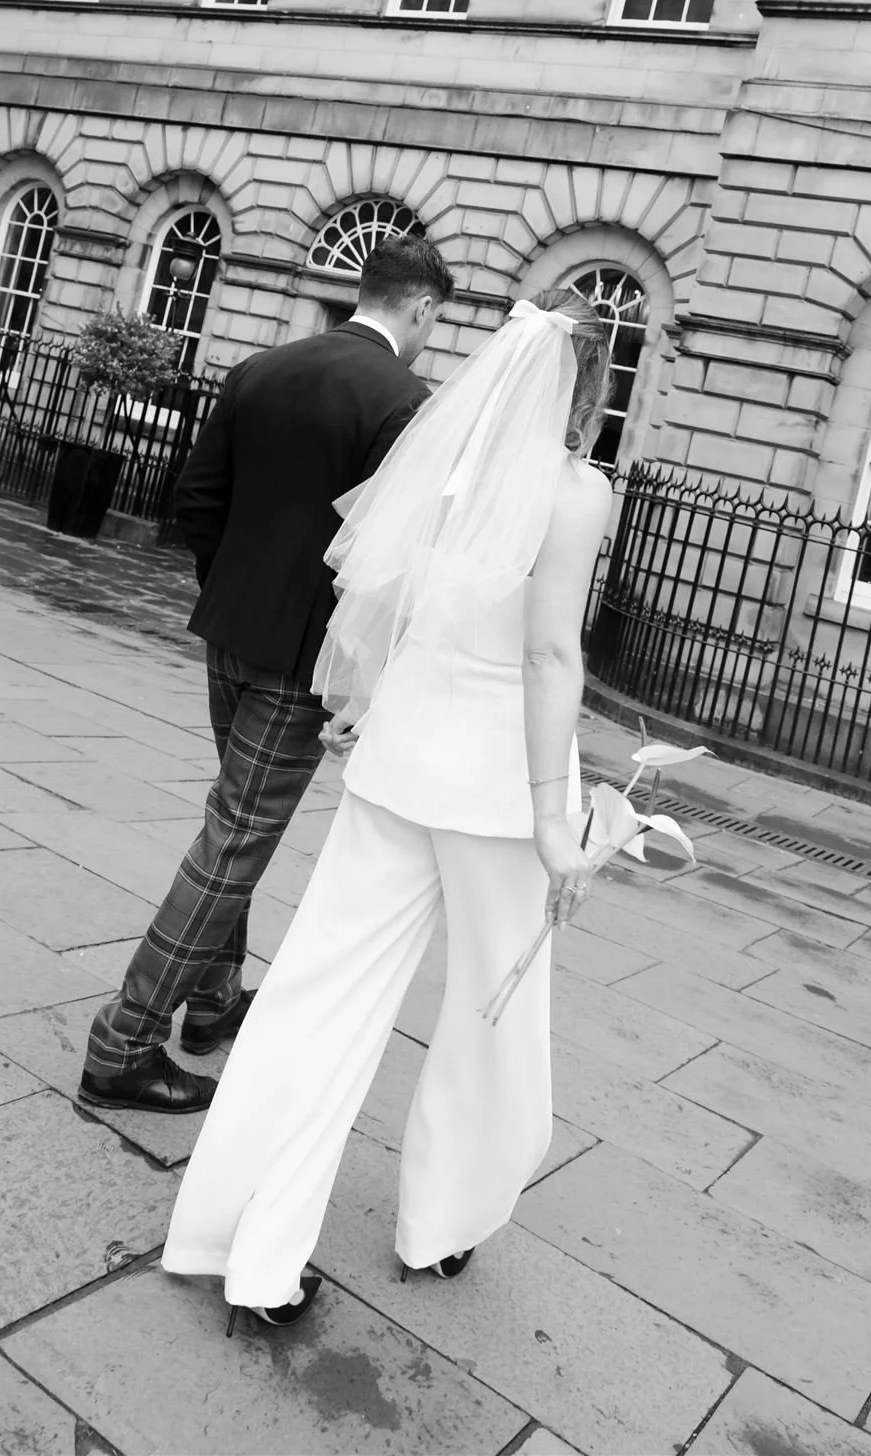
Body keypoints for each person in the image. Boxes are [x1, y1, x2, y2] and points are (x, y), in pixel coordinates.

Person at [161, 287, 614, 1326]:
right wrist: (558, 820)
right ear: (588, 383)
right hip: (497, 783)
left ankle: (244, 1242)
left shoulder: (449, 468)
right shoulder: (573, 489)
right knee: (491, 1015)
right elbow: (551, 653)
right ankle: (441, 1221)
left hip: (399, 752)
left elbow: (394, 603)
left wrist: (361, 708)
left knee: (319, 993)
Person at [80, 233, 455, 1113]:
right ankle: (122, 1044)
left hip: (228, 631)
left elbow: (196, 500)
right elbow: (384, 558)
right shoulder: (405, 402)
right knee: (233, 844)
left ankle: (208, 1007)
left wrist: (235, 592)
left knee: (230, 828)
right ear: (422, 307)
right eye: (436, 321)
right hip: (300, 660)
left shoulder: (259, 367)